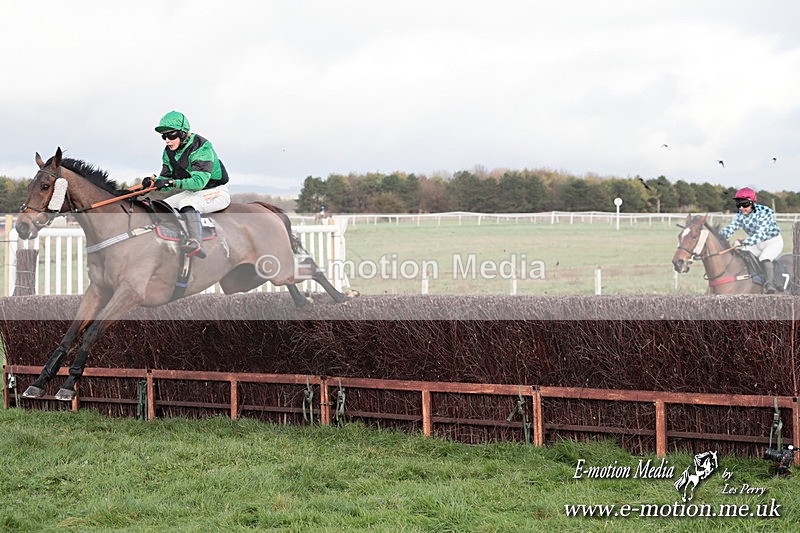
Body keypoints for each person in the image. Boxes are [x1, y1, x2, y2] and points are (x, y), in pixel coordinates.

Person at [142, 110, 231, 258]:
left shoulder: (201, 147)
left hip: (215, 191)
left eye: (171, 135)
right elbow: (166, 181)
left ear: (183, 133)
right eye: (164, 136)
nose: (167, 140)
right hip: (194, 192)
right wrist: (153, 183)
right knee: (162, 205)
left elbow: (198, 183)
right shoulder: (168, 152)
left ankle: (196, 243)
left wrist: (169, 182)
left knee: (187, 203)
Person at [719, 187, 783, 293]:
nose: (741, 208)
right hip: (757, 243)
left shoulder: (765, 212)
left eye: (745, 204)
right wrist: (717, 237)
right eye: (739, 204)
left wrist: (744, 241)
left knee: (764, 257)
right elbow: (730, 229)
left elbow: (761, 235)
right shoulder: (739, 216)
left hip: (772, 241)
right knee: (742, 253)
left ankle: (770, 285)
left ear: (753, 202)